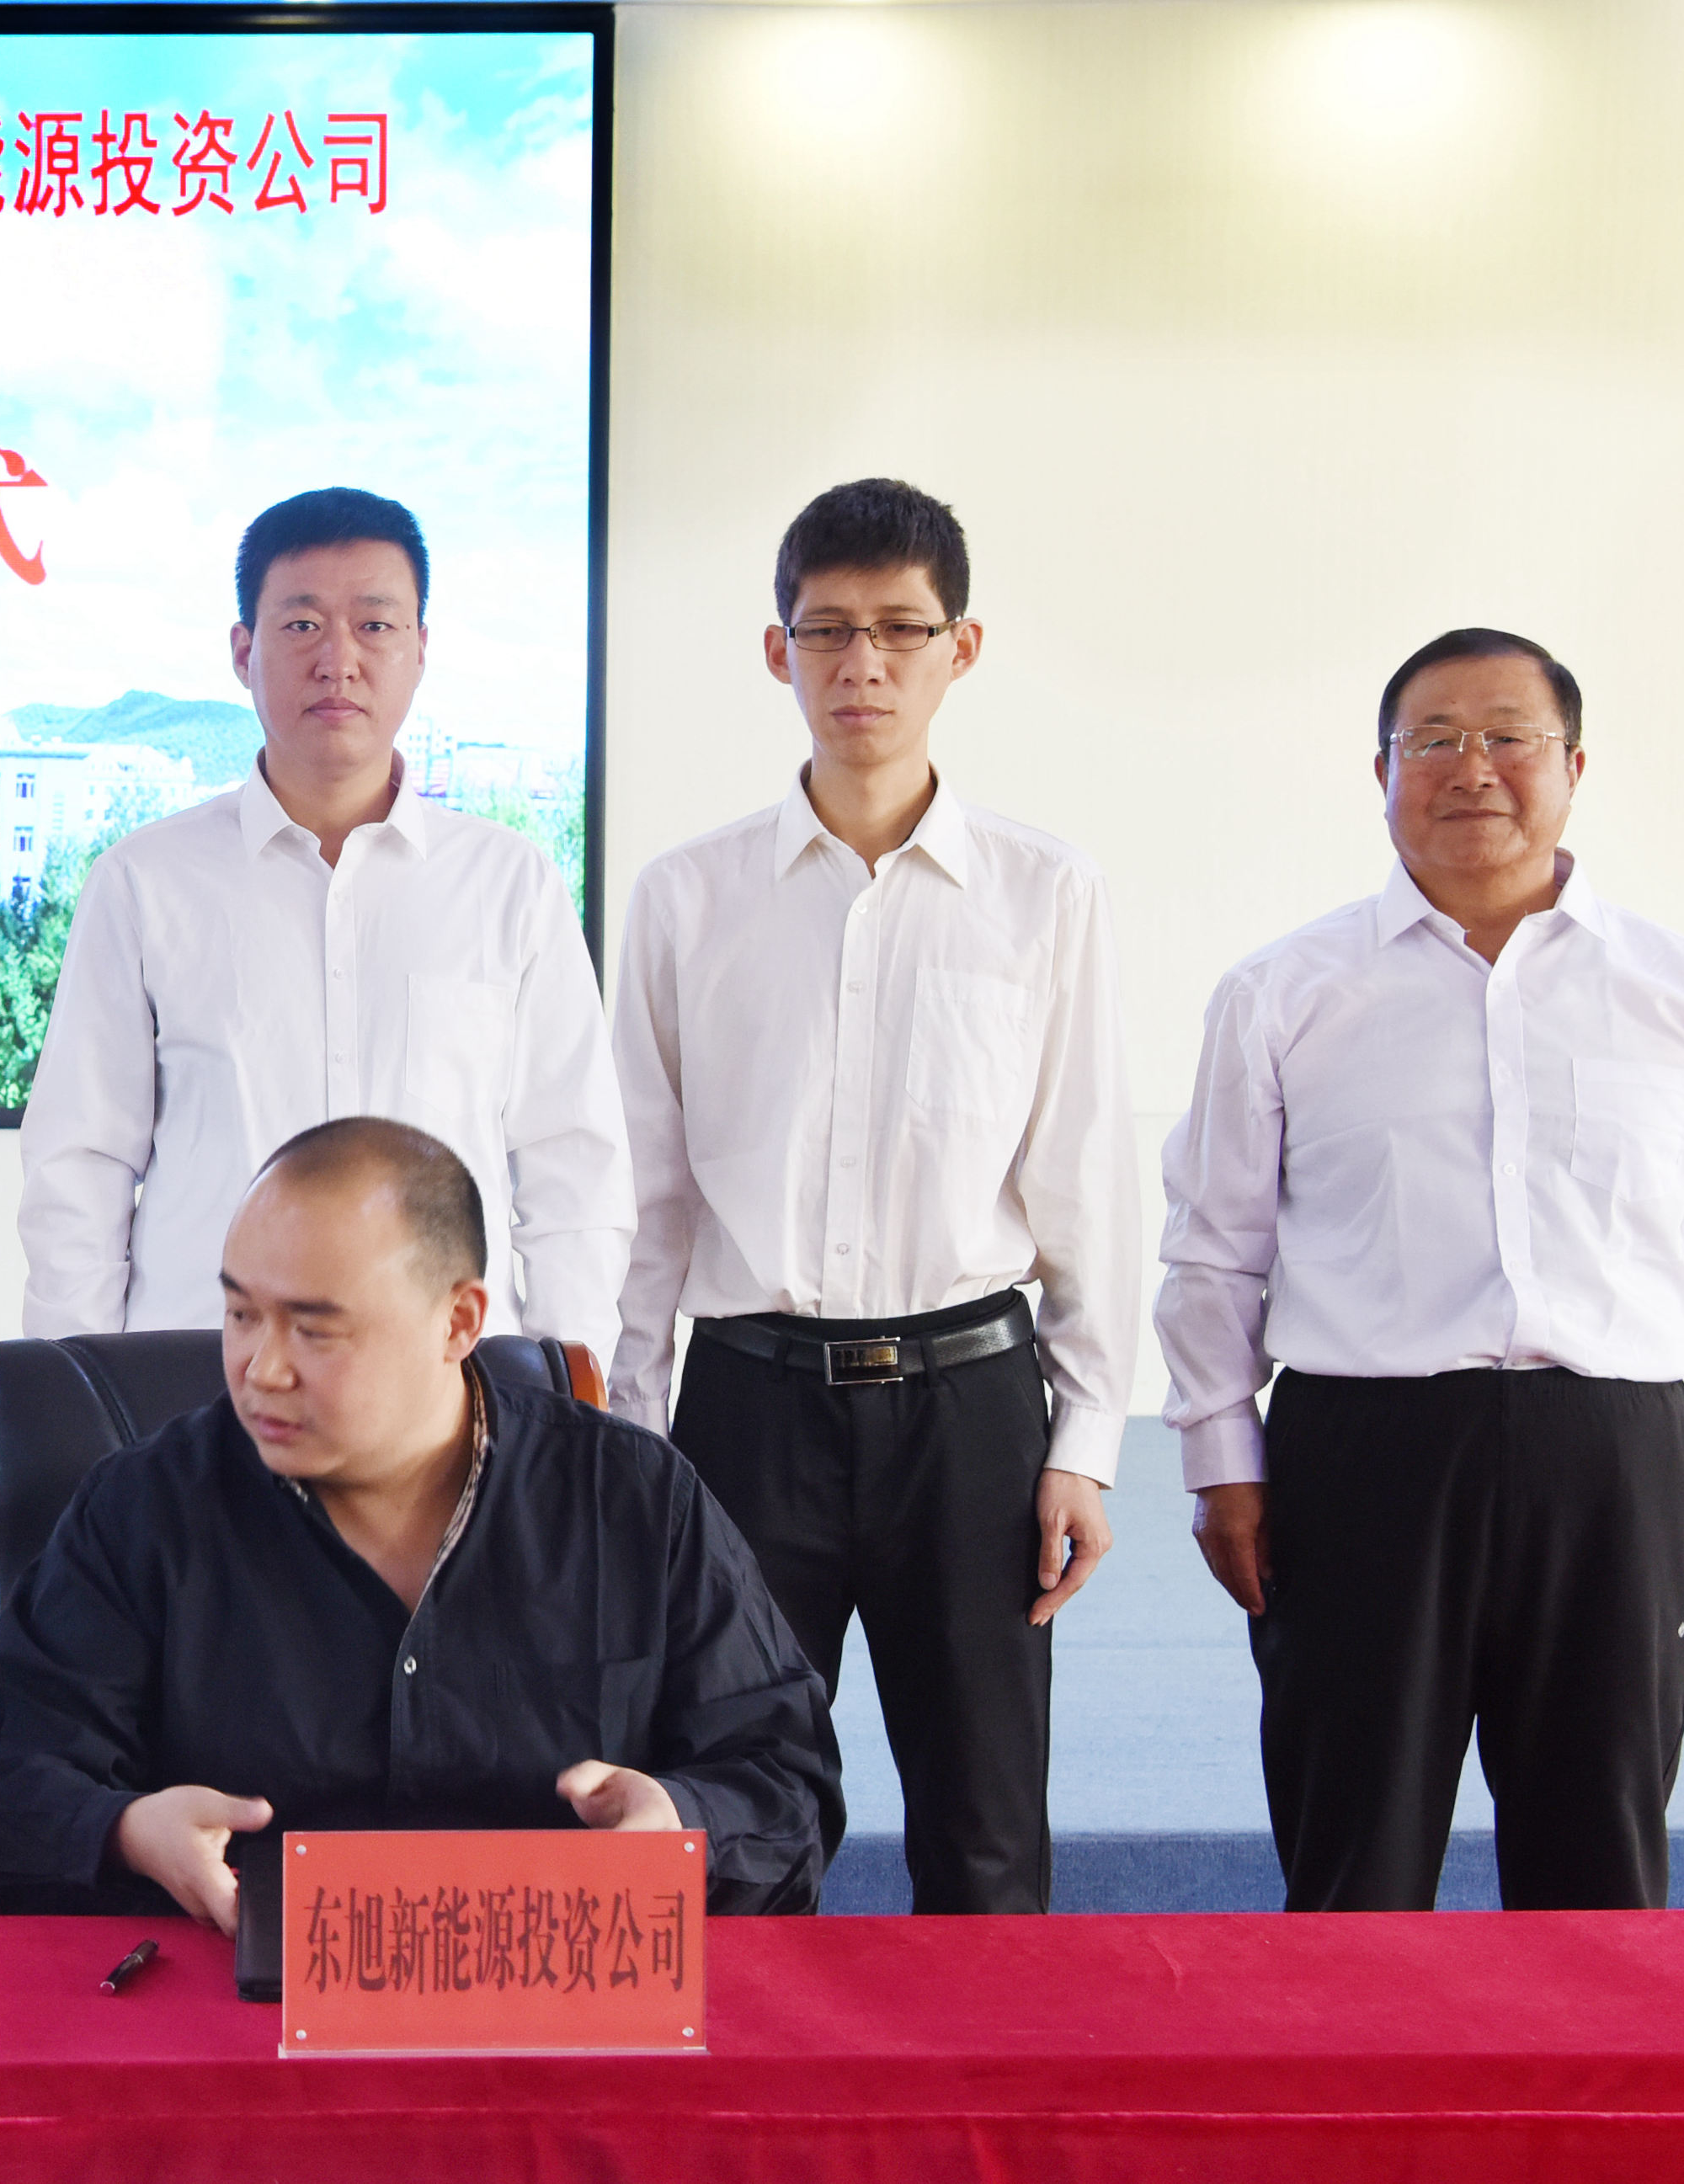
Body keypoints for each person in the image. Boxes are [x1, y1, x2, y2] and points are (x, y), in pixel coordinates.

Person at [1159, 628, 1684, 1913]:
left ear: (1574, 765)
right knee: (1354, 1862)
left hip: (1614, 1459)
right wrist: (1223, 1460)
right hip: (1363, 1458)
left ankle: (1585, 2056)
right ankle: (1354, 2054)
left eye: (1510, 736)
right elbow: (1214, 1248)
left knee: (1599, 1871)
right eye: (1434, 740)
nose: (1473, 768)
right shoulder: (1285, 991)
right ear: (1381, 770)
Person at [605, 479, 1138, 1915]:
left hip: (970, 1410)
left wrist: (1085, 1438)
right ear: (775, 649)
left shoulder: (1044, 891)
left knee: (985, 1826)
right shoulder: (685, 896)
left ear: (962, 648)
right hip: (747, 1405)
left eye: (901, 629)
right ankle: (742, 2068)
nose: (863, 664)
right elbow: (645, 1197)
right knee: (735, 1813)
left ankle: (983, 2066)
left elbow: (1084, 1173)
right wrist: (626, 1435)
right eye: (828, 629)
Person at [0, 1119, 833, 1921]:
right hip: (238, 2011)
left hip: (557, 2006)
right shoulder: (143, 1508)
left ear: (458, 1320)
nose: (261, 1369)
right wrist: (129, 1831)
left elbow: (786, 1787)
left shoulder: (630, 1498)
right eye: (240, 1313)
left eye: (315, 1329)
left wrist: (677, 1822)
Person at [19, 487, 629, 1357]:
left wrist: (569, 1397)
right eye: (302, 625)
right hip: (203, 1381)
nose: (339, 660)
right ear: (243, 651)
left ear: (420, 649)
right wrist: (86, 1393)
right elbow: (79, 1170)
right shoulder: (144, 882)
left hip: (445, 1387)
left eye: (375, 625)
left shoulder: (509, 883)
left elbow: (574, 1174)